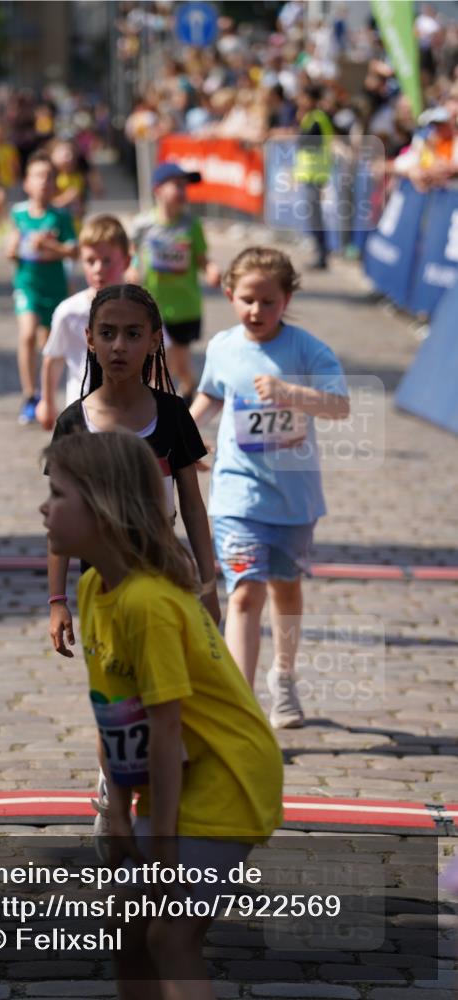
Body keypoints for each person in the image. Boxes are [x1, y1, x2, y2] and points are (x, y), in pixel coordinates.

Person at [41, 429, 283, 999]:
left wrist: (165, 846)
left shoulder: (148, 604)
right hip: (178, 774)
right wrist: (120, 816)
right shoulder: (98, 585)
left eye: (58, 495)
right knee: (127, 926)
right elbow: (113, 710)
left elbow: (169, 729)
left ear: (104, 509)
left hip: (227, 775)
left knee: (170, 937)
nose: (43, 507)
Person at [190, 247, 350, 729]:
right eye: (246, 300)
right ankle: (242, 707)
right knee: (243, 594)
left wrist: (292, 394)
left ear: (287, 299)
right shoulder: (221, 346)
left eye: (268, 302)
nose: (256, 311)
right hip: (238, 494)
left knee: (285, 590)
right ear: (229, 296)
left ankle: (283, 676)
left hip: (294, 499)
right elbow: (211, 394)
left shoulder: (306, 349)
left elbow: (340, 405)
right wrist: (182, 435)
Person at [130, 162, 221, 403]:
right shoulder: (143, 225)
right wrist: (131, 268)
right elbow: (133, 254)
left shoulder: (192, 225)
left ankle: (189, 387)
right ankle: (157, 405)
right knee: (158, 361)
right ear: (158, 189)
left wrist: (212, 271)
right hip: (152, 306)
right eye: (177, 185)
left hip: (184, 304)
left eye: (185, 186)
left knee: (180, 362)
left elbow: (202, 259)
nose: (183, 191)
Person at [35, 214, 131, 431]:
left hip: (129, 416)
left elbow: (156, 367)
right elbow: (54, 359)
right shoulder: (69, 312)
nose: (98, 268)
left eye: (107, 260)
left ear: (126, 261)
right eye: (90, 261)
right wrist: (47, 402)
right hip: (82, 415)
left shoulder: (142, 311)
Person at [7, 152, 77, 425]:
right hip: (27, 285)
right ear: (26, 183)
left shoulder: (61, 216)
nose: (44, 183)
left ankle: (47, 397)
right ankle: (29, 395)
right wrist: (12, 250)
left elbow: (73, 251)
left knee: (48, 346)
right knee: (26, 335)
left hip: (55, 287)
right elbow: (12, 249)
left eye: (49, 177)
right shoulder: (19, 213)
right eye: (38, 176)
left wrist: (49, 246)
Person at [294, 85, 335, 270]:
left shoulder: (318, 118)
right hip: (309, 174)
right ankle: (320, 252)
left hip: (316, 174)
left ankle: (322, 254)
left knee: (316, 217)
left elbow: (308, 143)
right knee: (312, 217)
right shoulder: (310, 118)